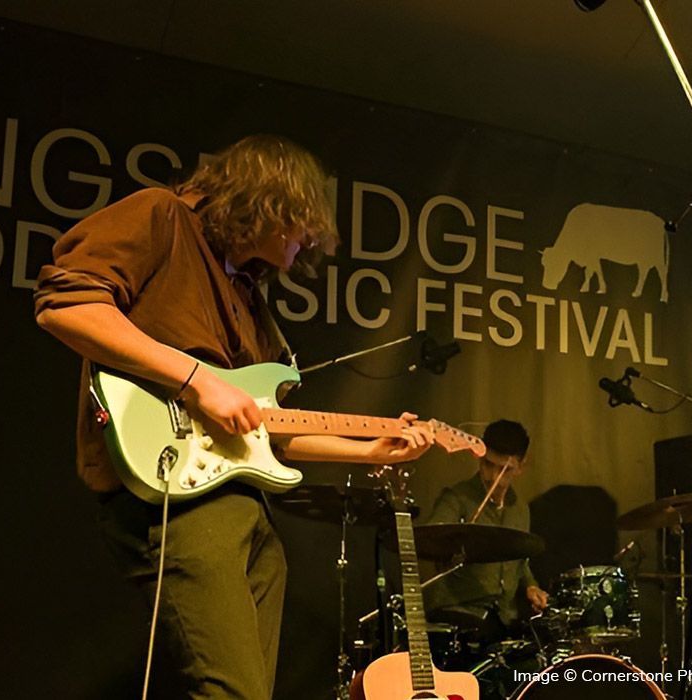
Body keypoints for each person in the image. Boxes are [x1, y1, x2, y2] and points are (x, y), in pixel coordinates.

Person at [33, 134, 434, 699]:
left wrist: (368, 449)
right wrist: (196, 380)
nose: (311, 238)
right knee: (233, 693)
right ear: (270, 203)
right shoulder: (160, 215)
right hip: (180, 497)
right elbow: (66, 306)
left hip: (246, 510)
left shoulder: (248, 295)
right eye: (303, 221)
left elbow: (266, 427)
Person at [421, 419, 550, 640]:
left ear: (521, 466)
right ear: (480, 456)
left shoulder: (520, 509)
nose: (493, 476)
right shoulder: (456, 499)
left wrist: (530, 586)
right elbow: (432, 541)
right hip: (458, 614)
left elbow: (520, 560)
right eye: (488, 464)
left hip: (503, 619)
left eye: (504, 469)